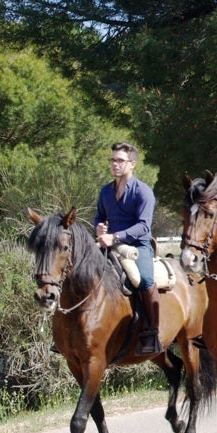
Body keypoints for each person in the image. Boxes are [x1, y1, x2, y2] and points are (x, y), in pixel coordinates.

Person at [94, 141, 161, 355]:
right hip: (108, 243)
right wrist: (99, 227)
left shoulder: (143, 191)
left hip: (137, 245)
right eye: (112, 160)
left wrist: (115, 236)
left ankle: (152, 332)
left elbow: (144, 226)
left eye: (120, 160)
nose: (115, 164)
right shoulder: (105, 191)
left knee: (143, 280)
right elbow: (99, 217)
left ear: (132, 164)